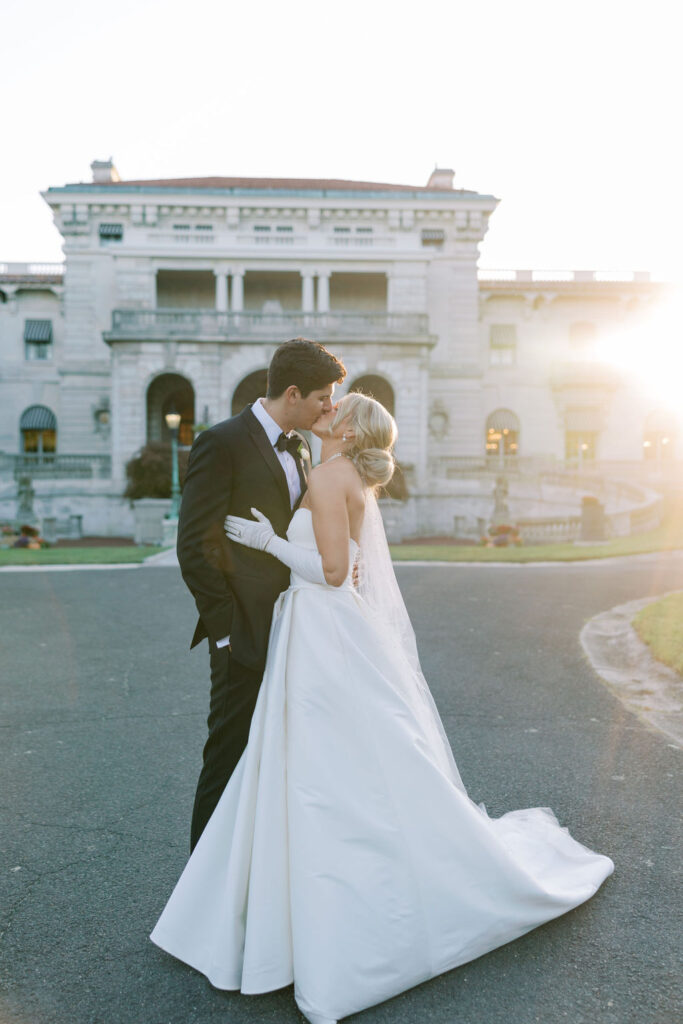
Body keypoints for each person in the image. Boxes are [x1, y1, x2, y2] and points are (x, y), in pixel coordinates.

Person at [152, 392, 614, 1024]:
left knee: (320, 769)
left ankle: (319, 916)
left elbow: (337, 572)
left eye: (336, 406)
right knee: (333, 765)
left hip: (322, 626)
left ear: (344, 428)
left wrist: (268, 542)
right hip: (319, 631)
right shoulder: (342, 475)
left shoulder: (328, 475)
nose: (327, 406)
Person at [176, 337, 346, 850]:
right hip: (243, 630)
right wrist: (225, 630)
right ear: (293, 393)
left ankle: (259, 866)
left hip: (297, 624)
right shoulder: (221, 441)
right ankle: (204, 889)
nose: (329, 408)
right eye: (322, 398)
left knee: (280, 750)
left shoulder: (301, 445)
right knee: (228, 752)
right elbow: (193, 544)